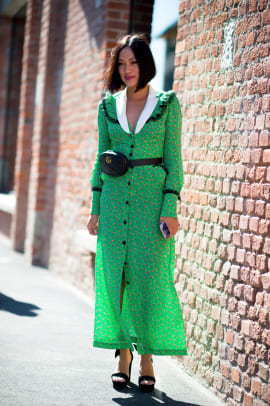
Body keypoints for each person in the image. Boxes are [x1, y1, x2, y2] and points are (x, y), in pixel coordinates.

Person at [87, 33, 187, 393]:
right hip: (114, 204)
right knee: (118, 281)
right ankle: (123, 355)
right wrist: (96, 208)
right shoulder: (107, 107)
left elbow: (173, 163)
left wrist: (169, 209)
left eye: (134, 62)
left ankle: (146, 356)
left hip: (151, 206)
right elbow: (100, 161)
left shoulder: (166, 104)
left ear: (146, 64)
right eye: (122, 63)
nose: (128, 70)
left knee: (149, 281)